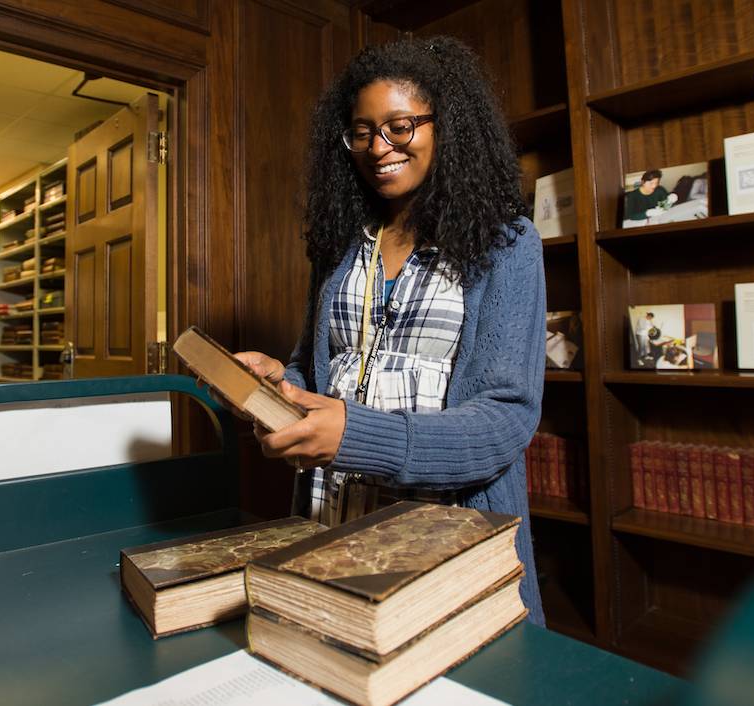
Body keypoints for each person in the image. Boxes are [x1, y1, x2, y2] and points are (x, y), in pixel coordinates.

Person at [229, 37, 546, 624]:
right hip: (329, 518)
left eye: (400, 127)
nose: (379, 148)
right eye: (361, 132)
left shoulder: (507, 243)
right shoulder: (342, 248)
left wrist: (356, 436)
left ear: (446, 127)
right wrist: (282, 382)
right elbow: (318, 365)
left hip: (445, 537)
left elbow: (506, 420)